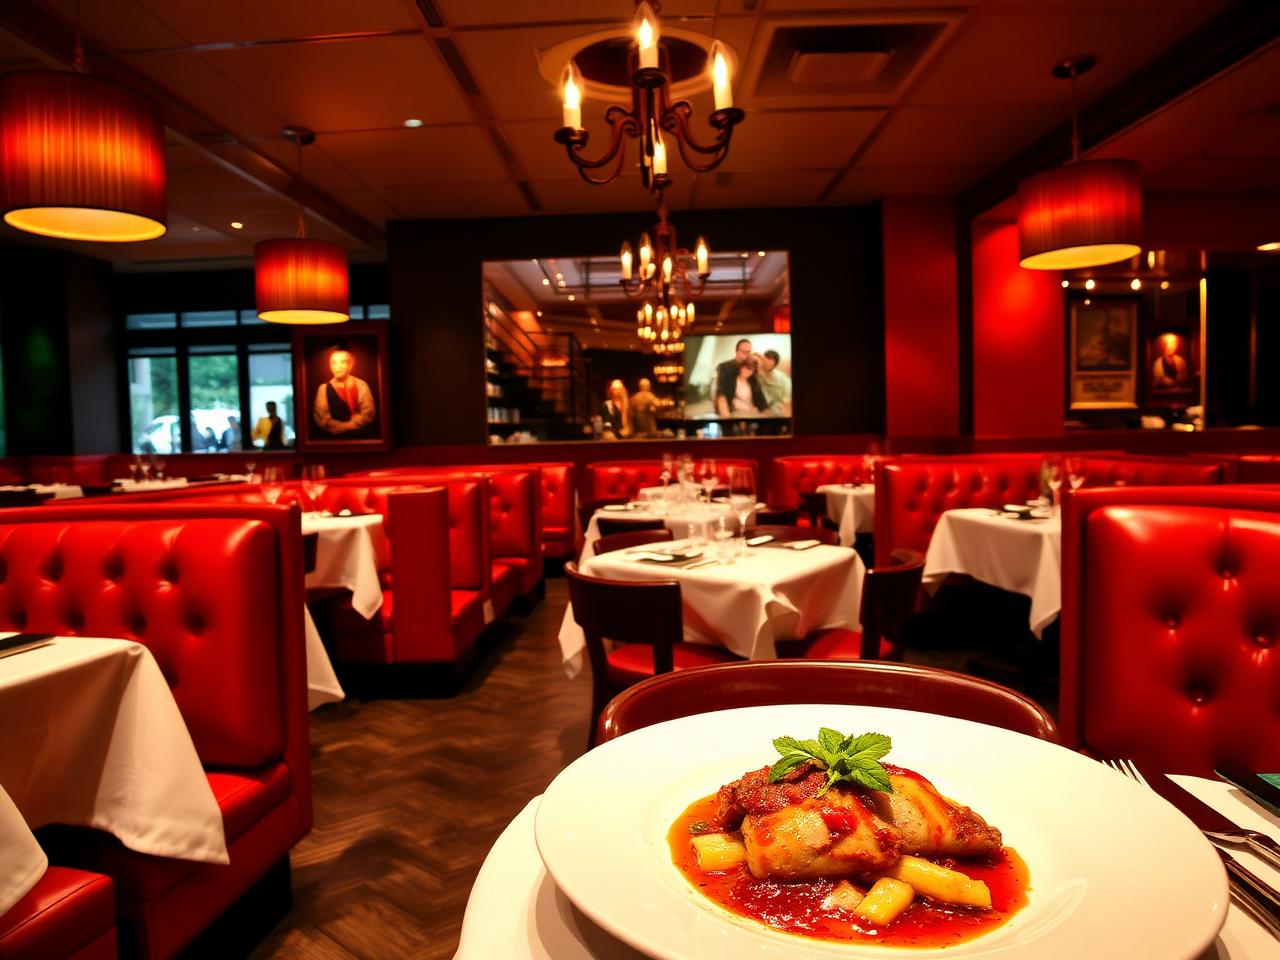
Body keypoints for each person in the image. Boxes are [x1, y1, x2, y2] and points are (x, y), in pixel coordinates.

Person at [314, 348, 376, 436]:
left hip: (360, 437)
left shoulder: (361, 385)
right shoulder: (323, 389)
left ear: (350, 365)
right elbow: (322, 418)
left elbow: (368, 415)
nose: (338, 366)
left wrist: (344, 427)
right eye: (334, 363)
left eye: (343, 362)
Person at [715, 338, 764, 416]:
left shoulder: (751, 368)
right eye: (743, 351)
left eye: (748, 352)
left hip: (750, 412)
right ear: (736, 351)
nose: (745, 355)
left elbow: (760, 397)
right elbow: (721, 393)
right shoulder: (724, 367)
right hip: (730, 411)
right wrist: (726, 415)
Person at [755, 349, 792, 416]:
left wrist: (785, 402)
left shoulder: (780, 376)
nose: (767, 363)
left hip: (778, 403)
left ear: (775, 364)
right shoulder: (754, 374)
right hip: (763, 405)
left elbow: (785, 392)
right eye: (766, 359)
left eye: (771, 361)